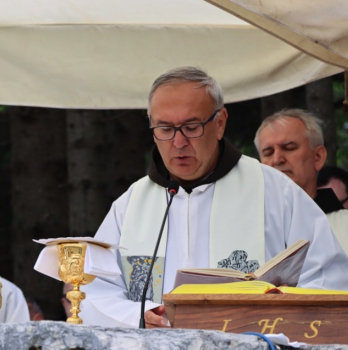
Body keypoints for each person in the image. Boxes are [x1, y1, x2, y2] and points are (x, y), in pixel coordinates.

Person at [80, 66, 348, 329]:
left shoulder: (274, 191)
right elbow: (93, 293)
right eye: (164, 128)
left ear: (219, 124)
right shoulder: (130, 205)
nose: (179, 141)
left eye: (191, 126)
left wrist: (277, 311)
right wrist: (140, 316)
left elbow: (326, 277)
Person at [255, 109, 348, 255]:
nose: (277, 159)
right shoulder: (250, 229)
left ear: (318, 157)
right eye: (268, 152)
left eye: (289, 148)